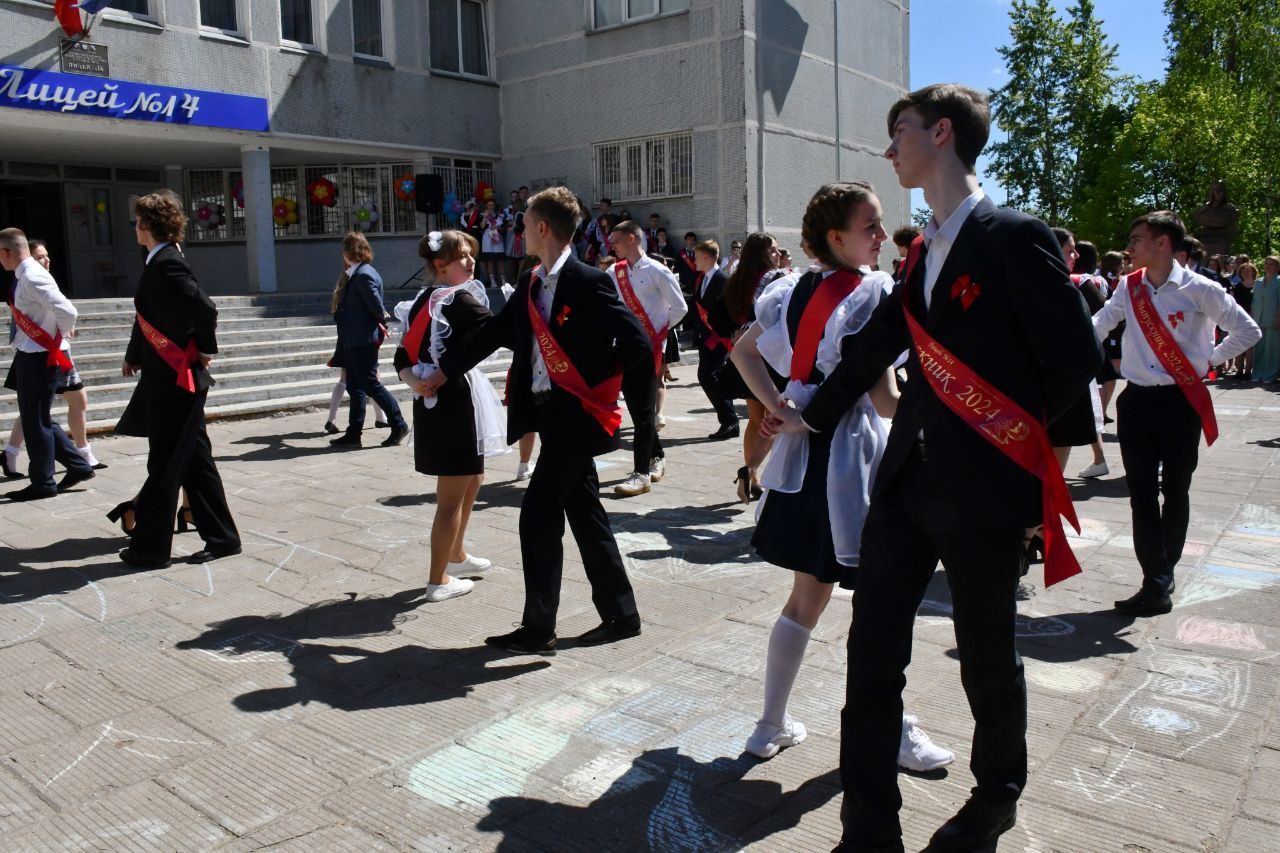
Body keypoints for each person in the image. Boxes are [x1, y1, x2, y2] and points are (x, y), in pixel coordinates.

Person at [765, 84, 1102, 852]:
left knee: (987, 655)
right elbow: (873, 345)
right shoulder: (920, 252)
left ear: (943, 134)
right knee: (872, 650)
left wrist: (1011, 446)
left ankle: (996, 794)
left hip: (983, 492)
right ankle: (867, 826)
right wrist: (808, 412)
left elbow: (1076, 359)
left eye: (901, 132)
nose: (889, 151)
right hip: (905, 482)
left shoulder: (1014, 236)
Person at [730, 182, 952, 772]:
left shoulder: (793, 288)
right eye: (871, 227)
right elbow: (882, 401)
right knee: (880, 610)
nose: (882, 237)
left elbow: (741, 353)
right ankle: (895, 733)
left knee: (805, 600)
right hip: (854, 464)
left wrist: (780, 406)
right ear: (837, 237)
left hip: (806, 462)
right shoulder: (872, 293)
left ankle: (769, 725)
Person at [421, 186, 651, 655]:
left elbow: (636, 345)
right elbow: (491, 334)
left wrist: (593, 377)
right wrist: (442, 372)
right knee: (585, 515)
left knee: (537, 516)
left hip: (576, 416)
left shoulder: (589, 281)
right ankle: (621, 614)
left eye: (525, 223)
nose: (520, 230)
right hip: (547, 415)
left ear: (542, 228)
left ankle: (538, 627)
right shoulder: (529, 284)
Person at [1093, 212, 1260, 617]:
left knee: (1176, 490)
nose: (1129, 248)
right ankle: (1155, 580)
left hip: (1181, 401)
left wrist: (1206, 363)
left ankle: (1160, 577)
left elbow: (1247, 330)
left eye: (1137, 239)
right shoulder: (1128, 288)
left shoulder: (1200, 288)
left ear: (1162, 243)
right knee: (1142, 495)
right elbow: (1099, 325)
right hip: (1137, 402)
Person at [112, 191, 240, 566]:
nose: (135, 228)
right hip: (165, 376)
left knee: (165, 463)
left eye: (138, 222)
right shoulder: (158, 260)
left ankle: (150, 549)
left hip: (175, 381)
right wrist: (135, 355)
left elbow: (204, 306)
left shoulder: (167, 262)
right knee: (196, 463)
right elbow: (151, 315)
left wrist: (204, 349)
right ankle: (223, 537)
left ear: (149, 225)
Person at [394, 230, 506, 602]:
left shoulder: (423, 300)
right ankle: (437, 580)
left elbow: (401, 360)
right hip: (453, 402)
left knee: (473, 476)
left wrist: (417, 382)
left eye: (472, 255)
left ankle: (456, 556)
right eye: (463, 257)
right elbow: (497, 330)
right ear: (441, 265)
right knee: (450, 497)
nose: (471, 261)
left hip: (438, 400)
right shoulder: (456, 300)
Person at [0, 228, 94, 501]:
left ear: (6, 252)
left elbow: (67, 311)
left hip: (41, 356)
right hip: (34, 353)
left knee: (35, 422)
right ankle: (78, 466)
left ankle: (42, 482)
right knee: (39, 417)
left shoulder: (31, 276)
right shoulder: (26, 274)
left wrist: (57, 337)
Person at [606, 220, 687, 497]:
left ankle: (641, 473)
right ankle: (657, 457)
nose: (612, 245)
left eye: (616, 240)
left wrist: (658, 332)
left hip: (649, 347)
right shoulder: (613, 272)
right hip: (623, 348)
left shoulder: (657, 270)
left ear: (632, 238)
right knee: (636, 409)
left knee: (642, 413)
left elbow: (680, 308)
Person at [329, 232, 408, 449]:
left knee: (370, 384)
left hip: (362, 338)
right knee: (355, 387)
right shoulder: (359, 272)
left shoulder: (363, 274)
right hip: (354, 337)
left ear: (348, 252)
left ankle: (398, 423)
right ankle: (353, 433)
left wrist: (381, 317)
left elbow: (374, 303)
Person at [725, 231, 786, 502]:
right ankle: (752, 470)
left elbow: (719, 315)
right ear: (762, 253)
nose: (778, 254)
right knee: (774, 417)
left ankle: (751, 475)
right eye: (773, 250)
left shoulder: (737, 279)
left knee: (755, 418)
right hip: (771, 355)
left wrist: (737, 333)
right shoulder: (778, 279)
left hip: (746, 354)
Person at [1048, 227, 1107, 480]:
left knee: (1050, 478)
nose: (1075, 256)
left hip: (1063, 386)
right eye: (1069, 251)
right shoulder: (1059, 286)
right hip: (1045, 387)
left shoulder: (1071, 285)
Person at [324, 266, 387, 435]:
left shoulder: (341, 292)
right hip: (361, 338)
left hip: (345, 338)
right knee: (373, 376)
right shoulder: (359, 285)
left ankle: (332, 418)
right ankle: (381, 418)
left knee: (344, 378)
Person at [691, 240, 740, 440]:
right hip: (705, 337)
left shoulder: (724, 279)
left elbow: (731, 310)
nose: (694, 261)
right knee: (709, 376)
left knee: (708, 376)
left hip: (719, 338)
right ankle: (729, 421)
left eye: (696, 256)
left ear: (706, 257)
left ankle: (730, 420)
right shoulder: (701, 279)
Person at [1252, 256, 1280, 383]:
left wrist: (1278, 318)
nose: (1268, 266)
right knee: (1259, 348)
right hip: (1258, 318)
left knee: (1273, 349)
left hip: (1273, 319)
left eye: (1271, 264)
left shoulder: (1279, 281)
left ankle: (1271, 375)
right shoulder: (1258, 282)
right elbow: (1254, 302)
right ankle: (1257, 373)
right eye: (1266, 263)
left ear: (1277, 267)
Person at [1228, 262, 1257, 379]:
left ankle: (1248, 371)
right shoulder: (1236, 287)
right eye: (1243, 270)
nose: (1245, 272)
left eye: (1248, 270)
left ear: (1254, 272)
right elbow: (1232, 304)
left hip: (1253, 317)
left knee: (1250, 346)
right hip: (1239, 318)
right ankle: (1239, 370)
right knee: (1239, 345)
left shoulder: (1258, 286)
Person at [478, 198, 507, 286]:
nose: (490, 207)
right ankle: (492, 281)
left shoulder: (500, 216)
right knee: (489, 260)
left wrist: (498, 228)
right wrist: (485, 217)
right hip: (487, 239)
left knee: (500, 261)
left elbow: (504, 228)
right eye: (489, 205)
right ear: (487, 206)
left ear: (495, 205)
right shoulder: (483, 215)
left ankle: (503, 281)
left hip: (497, 239)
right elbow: (482, 226)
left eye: (492, 205)